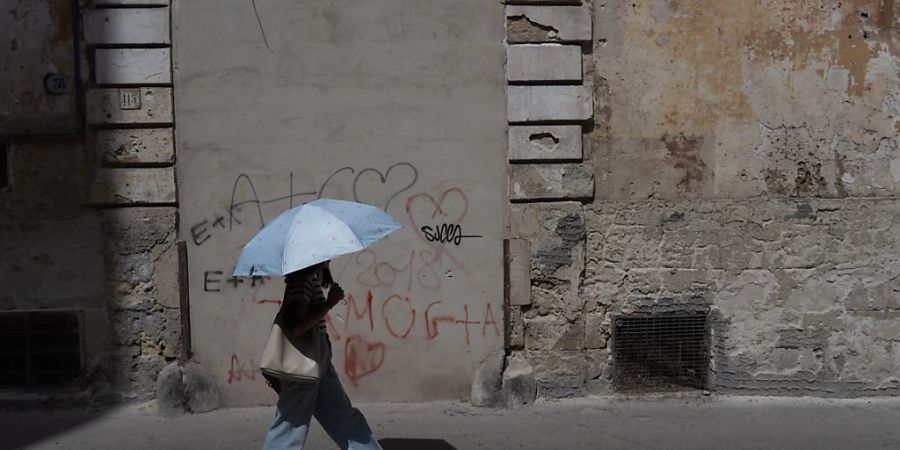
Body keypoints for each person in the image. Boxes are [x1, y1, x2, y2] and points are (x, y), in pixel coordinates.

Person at [262, 261, 382, 450]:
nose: (330, 258)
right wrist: (329, 303)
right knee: (291, 422)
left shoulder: (312, 279)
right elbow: (298, 326)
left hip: (318, 355)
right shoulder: (302, 280)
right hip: (304, 358)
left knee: (340, 413)